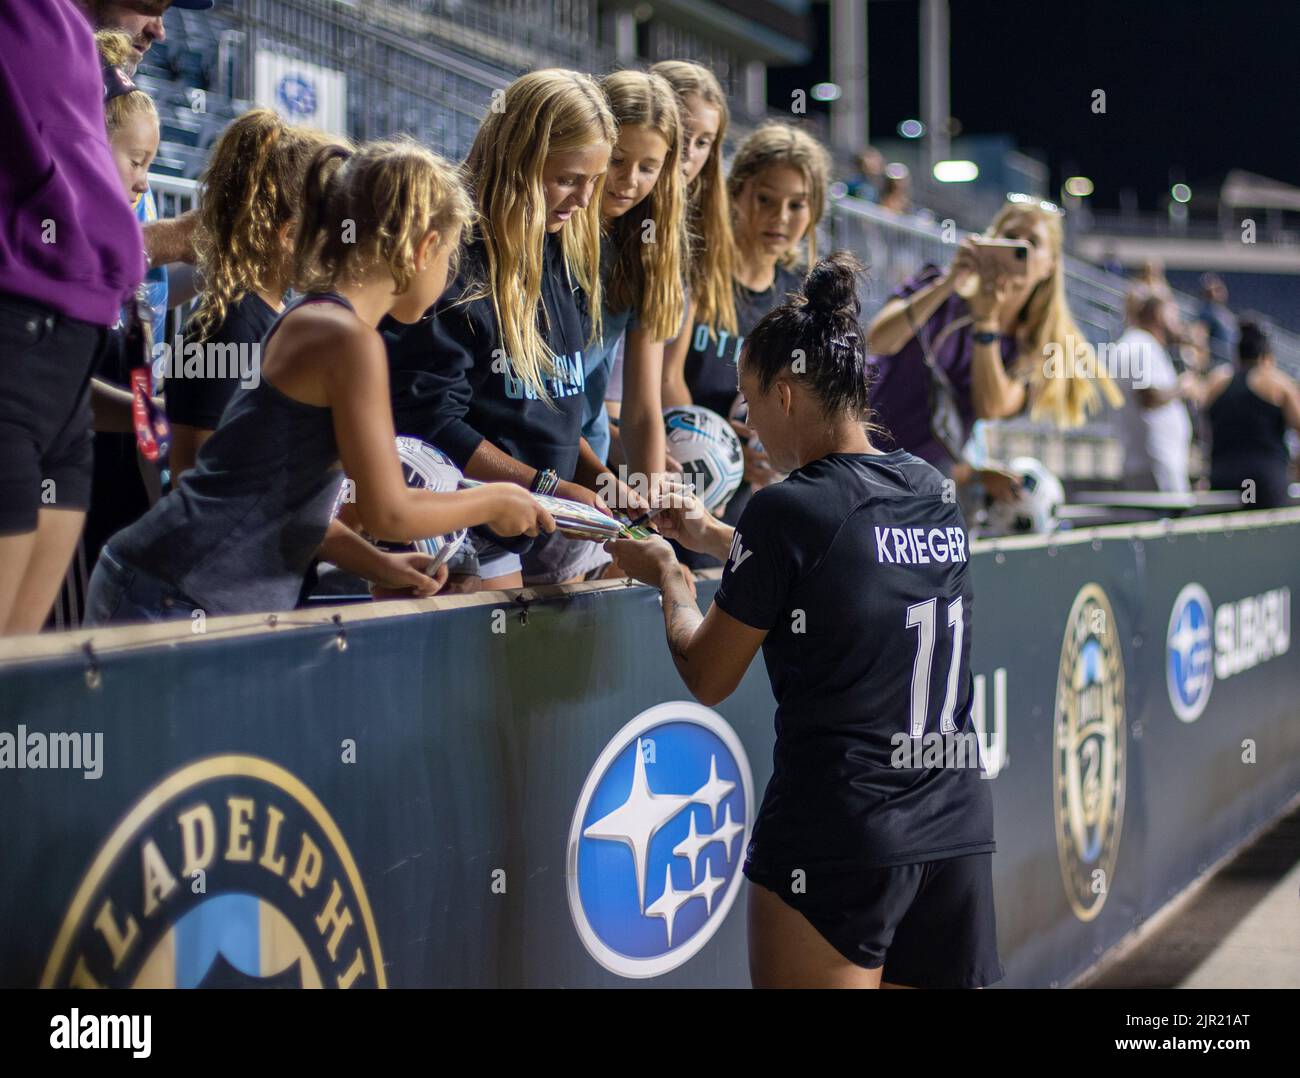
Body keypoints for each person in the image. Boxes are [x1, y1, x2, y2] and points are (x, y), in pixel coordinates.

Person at [606, 254, 1002, 989]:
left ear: (784, 395)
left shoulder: (787, 507)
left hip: (841, 829)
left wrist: (667, 573)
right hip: (954, 823)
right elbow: (849, 573)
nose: (751, 429)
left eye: (751, 406)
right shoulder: (930, 488)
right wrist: (716, 538)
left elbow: (708, 671)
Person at [84, 139, 554, 623]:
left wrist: (380, 565)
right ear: (424, 248)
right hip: (173, 590)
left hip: (174, 585)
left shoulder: (317, 318)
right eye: (450, 256)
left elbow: (283, 504)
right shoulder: (347, 339)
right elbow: (387, 512)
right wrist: (495, 500)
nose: (449, 274)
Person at [386, 69, 640, 591]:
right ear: (516, 161)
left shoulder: (556, 248)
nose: (585, 201)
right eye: (568, 179)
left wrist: (600, 479)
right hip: (458, 528)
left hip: (540, 517)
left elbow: (553, 407)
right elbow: (430, 423)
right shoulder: (451, 264)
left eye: (595, 181)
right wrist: (543, 485)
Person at [0, 0, 145, 635]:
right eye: (135, 161)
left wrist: (150, 410)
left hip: (62, 370)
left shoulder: (72, 40)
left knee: (19, 674)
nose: (160, 23)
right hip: (19, 337)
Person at [531, 70, 688, 584]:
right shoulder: (548, 236)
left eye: (649, 167)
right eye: (618, 161)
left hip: (593, 474)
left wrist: (648, 508)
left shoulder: (646, 252)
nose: (628, 181)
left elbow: (643, 408)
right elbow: (539, 397)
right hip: (541, 465)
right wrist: (603, 487)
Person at [663, 121, 830, 563]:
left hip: (751, 489)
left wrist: (776, 452)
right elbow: (666, 378)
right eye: (766, 200)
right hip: (680, 468)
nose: (780, 218)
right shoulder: (697, 265)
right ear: (737, 193)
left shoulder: (800, 293)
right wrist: (718, 446)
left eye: (797, 205)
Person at [866, 198, 1123, 476]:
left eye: (1032, 243)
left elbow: (991, 407)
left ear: (1049, 265)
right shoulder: (936, 284)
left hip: (920, 474)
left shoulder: (1034, 347)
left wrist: (986, 321)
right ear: (991, 240)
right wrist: (948, 284)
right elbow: (877, 340)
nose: (1017, 248)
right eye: (1010, 237)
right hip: (862, 445)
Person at [167, 109, 335, 478]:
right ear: (289, 237)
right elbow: (189, 468)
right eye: (330, 232)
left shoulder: (276, 313)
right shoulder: (227, 326)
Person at [78, 0, 210, 269]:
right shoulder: (40, 97)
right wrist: (171, 238)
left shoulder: (126, 114)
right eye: (148, 5)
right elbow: (51, 246)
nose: (159, 31)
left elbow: (148, 293)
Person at [1202, 321, 1300, 508]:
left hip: (1223, 477)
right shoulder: (1277, 382)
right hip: (1264, 479)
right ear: (1266, 354)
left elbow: (1204, 430)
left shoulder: (1215, 382)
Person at [1114, 289, 1196, 493]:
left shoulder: (1140, 343)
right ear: (1159, 313)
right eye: (1173, 313)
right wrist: (1182, 387)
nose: (1177, 321)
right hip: (1157, 464)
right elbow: (1148, 396)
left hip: (1153, 462)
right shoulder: (1140, 344)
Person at [1196, 272, 1237, 369]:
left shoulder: (1223, 311)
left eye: (1218, 289)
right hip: (1218, 364)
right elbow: (1200, 338)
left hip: (1230, 362)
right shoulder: (1206, 313)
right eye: (1211, 290)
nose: (1215, 293)